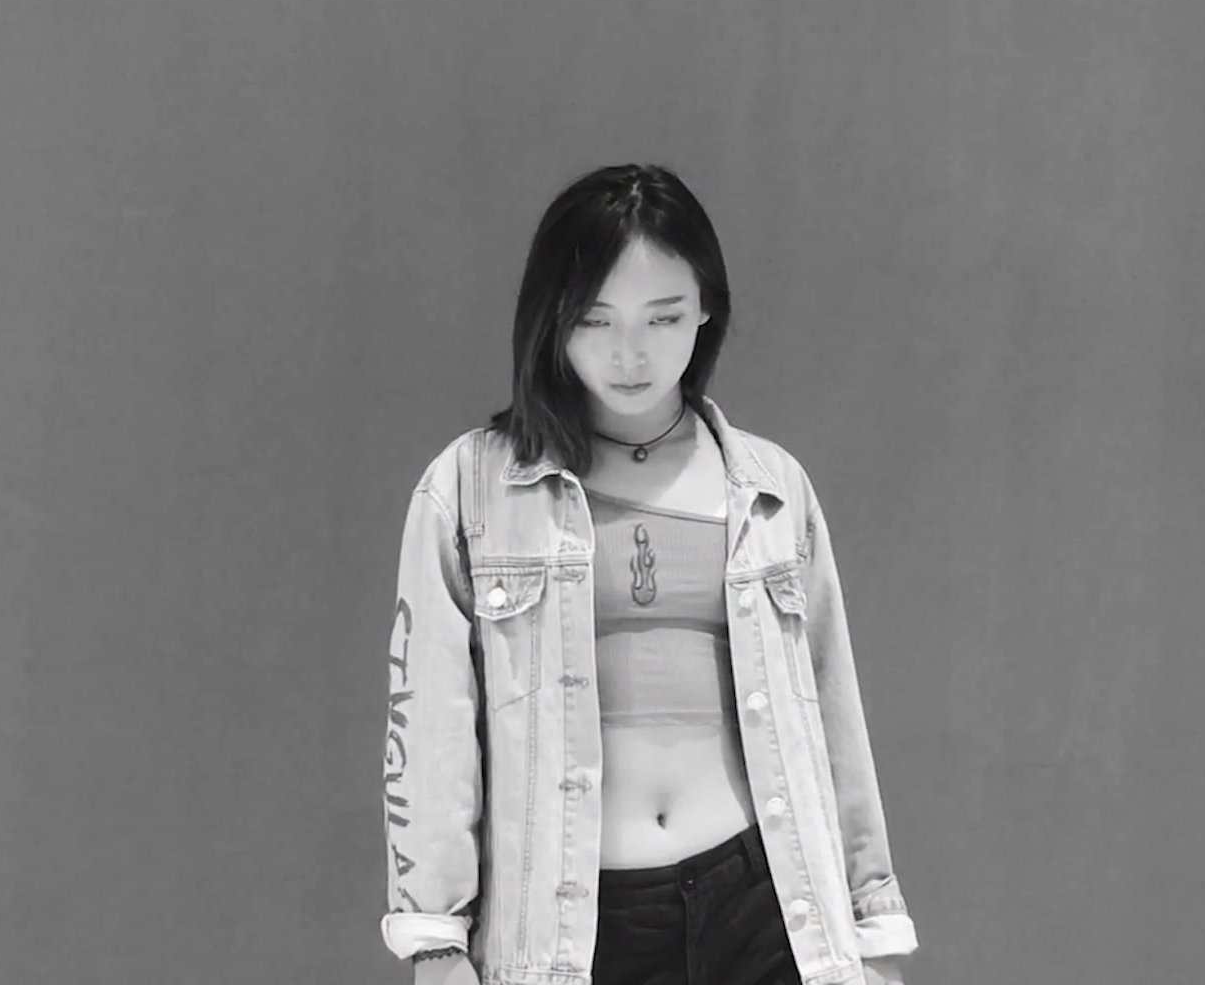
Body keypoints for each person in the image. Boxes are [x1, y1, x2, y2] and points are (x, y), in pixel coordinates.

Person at [380, 163, 918, 985]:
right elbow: (430, 728)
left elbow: (831, 713)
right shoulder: (471, 489)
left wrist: (871, 931)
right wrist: (436, 944)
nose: (629, 353)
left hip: (766, 909)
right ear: (551, 320)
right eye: (595, 320)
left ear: (706, 309)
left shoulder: (771, 489)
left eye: (663, 317)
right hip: (575, 927)